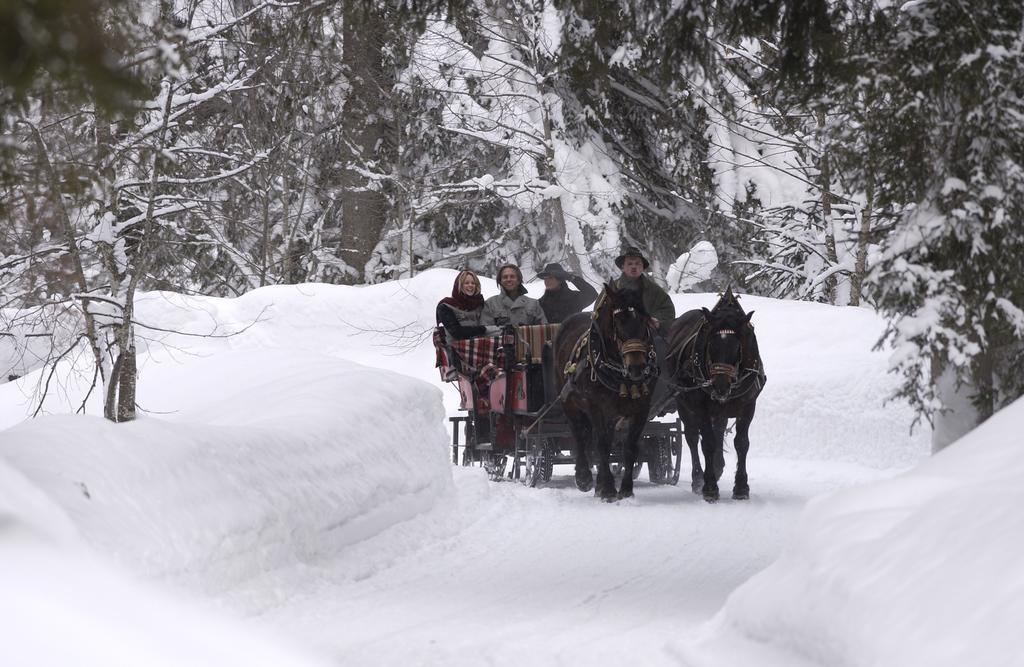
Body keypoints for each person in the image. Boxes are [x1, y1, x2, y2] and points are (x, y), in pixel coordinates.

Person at [612, 246, 675, 337]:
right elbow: (599, 313)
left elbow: (667, 311)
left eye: (637, 264)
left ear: (642, 268)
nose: (634, 267)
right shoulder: (612, 289)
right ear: (622, 267)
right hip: (616, 340)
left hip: (647, 340)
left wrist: (657, 321)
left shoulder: (655, 291)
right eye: (630, 264)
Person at [436, 270, 501, 340]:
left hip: (482, 346)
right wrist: (483, 329)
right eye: (466, 283)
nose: (470, 285)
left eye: (473, 283)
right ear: (459, 285)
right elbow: (457, 333)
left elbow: (491, 323)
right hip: (456, 348)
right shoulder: (446, 306)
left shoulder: (479, 304)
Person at [482, 263, 547, 327]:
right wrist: (506, 331)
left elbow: (543, 329)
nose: (509, 279)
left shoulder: (533, 304)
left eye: (512, 276)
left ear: (518, 280)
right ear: (500, 281)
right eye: (505, 277)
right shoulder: (490, 304)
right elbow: (486, 330)